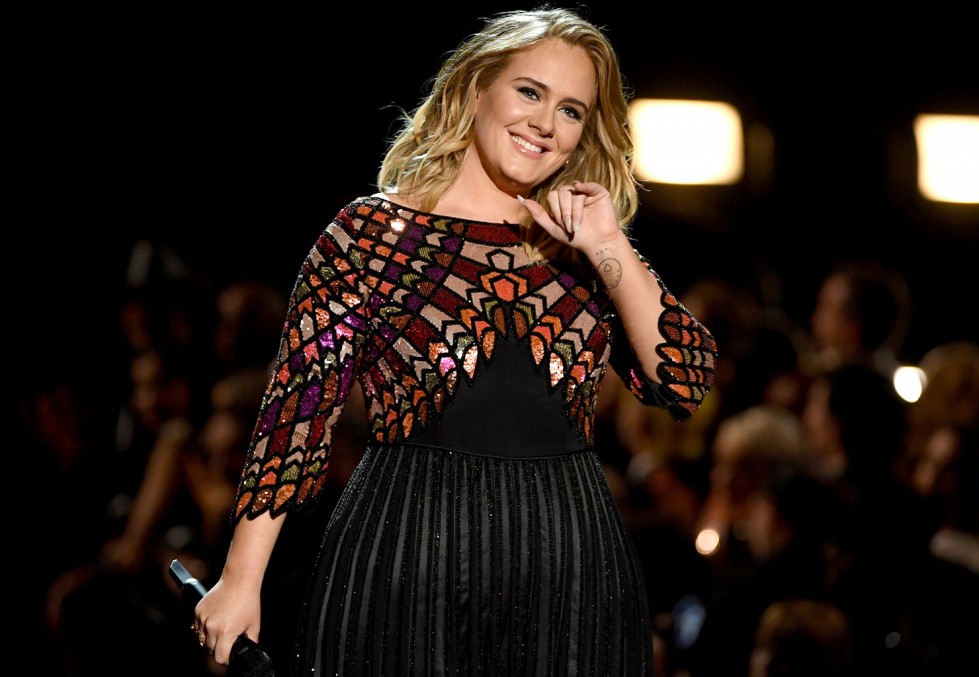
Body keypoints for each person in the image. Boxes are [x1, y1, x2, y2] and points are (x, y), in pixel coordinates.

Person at [193, 7, 718, 677]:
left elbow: (687, 380)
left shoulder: (585, 252)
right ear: (476, 90)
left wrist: (609, 244)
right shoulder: (369, 234)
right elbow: (298, 411)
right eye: (529, 91)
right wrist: (242, 577)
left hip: (570, 564)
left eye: (571, 111)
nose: (544, 123)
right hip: (408, 548)